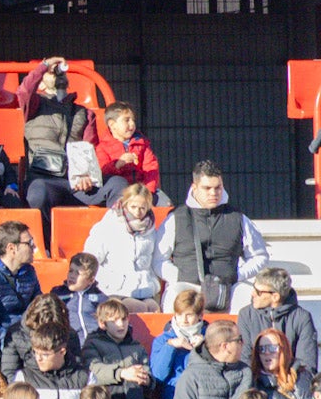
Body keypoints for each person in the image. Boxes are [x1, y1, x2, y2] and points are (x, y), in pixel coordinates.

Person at [17, 56, 127, 230]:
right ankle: (45, 247)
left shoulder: (84, 113)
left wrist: (87, 174)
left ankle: (115, 235)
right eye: (51, 74)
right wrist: (45, 66)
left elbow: (90, 147)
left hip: (77, 182)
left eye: (60, 73)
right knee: (37, 194)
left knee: (118, 184)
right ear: (41, 85)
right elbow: (24, 91)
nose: (57, 74)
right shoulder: (34, 106)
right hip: (45, 180)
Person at [154, 159, 269, 312]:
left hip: (228, 286)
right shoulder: (175, 218)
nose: (213, 193)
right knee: (175, 296)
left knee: (248, 298)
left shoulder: (238, 218)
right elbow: (158, 260)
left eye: (218, 188)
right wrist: (179, 276)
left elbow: (260, 256)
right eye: (207, 188)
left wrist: (237, 275)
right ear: (194, 188)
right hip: (187, 285)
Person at [83, 183, 161, 313]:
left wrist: (152, 283)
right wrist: (109, 281)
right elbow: (91, 260)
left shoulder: (151, 230)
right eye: (133, 207)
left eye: (142, 208)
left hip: (144, 288)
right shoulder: (107, 226)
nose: (137, 212)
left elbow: (152, 263)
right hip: (114, 289)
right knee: (138, 308)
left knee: (154, 309)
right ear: (125, 204)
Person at [14, 323, 93, 399]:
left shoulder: (85, 377)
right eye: (35, 352)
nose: (38, 358)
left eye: (45, 355)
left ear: (62, 351)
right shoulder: (24, 378)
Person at [173, 320, 252, 399]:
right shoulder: (191, 376)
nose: (243, 343)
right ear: (225, 346)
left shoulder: (245, 372)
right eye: (239, 339)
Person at [81, 299, 152, 399]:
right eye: (114, 321)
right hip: (108, 392)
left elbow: (147, 369)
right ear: (103, 324)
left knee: (133, 380)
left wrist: (147, 379)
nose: (121, 324)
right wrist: (121, 373)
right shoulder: (93, 343)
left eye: (124, 319)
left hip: (135, 391)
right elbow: (93, 369)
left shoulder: (136, 347)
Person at [238, 267, 318, 370]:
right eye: (253, 288)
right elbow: (245, 358)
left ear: (275, 297)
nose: (252, 294)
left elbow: (306, 363)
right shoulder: (246, 315)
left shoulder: (301, 317)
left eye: (258, 292)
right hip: (256, 381)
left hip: (291, 381)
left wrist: (286, 381)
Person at [87, 101, 164, 201]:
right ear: (112, 124)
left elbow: (151, 168)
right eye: (126, 120)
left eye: (133, 120)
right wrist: (117, 165)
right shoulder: (102, 147)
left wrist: (147, 191)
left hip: (142, 191)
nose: (132, 124)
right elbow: (102, 172)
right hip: (120, 193)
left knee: (165, 203)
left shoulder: (142, 144)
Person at [150, 289, 208, 399]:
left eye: (189, 315)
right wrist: (170, 346)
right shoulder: (162, 340)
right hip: (173, 396)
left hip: (203, 394)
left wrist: (204, 348)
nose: (184, 320)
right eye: (179, 314)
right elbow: (158, 376)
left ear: (200, 315)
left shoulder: (211, 337)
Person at [251, 328, 314, 399]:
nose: (267, 353)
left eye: (272, 348)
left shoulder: (304, 376)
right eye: (261, 349)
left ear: (283, 350)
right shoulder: (255, 385)